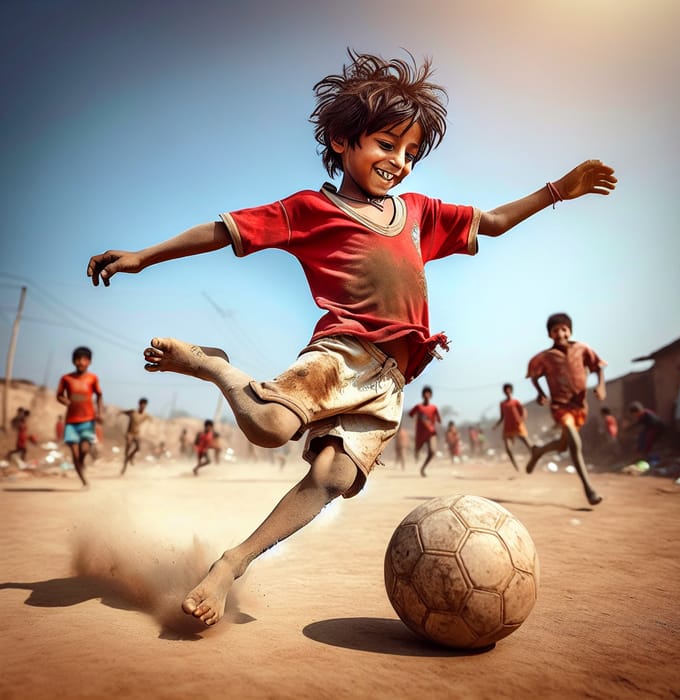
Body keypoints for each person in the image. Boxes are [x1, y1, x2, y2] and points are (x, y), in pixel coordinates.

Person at [86, 50, 616, 625]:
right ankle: (217, 364)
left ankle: (230, 564)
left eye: (411, 152)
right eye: (387, 145)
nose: (401, 162)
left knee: (332, 477)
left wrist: (558, 190)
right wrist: (143, 255)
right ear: (342, 140)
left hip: (389, 381)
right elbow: (222, 230)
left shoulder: (419, 212)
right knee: (269, 427)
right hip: (342, 352)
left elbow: (490, 222)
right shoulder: (311, 208)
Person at [524, 313, 606, 506]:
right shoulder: (544, 358)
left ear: (570, 331)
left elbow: (598, 366)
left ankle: (538, 451)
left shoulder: (582, 349)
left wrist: (601, 386)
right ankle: (589, 489)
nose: (560, 334)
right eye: (555, 330)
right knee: (575, 443)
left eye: (564, 329)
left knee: (563, 445)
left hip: (579, 407)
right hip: (560, 407)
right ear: (550, 335)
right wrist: (540, 393)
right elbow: (535, 377)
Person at [56, 346, 103, 487]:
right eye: (78, 359)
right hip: (71, 422)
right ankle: (84, 480)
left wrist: (99, 412)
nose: (81, 362)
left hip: (88, 420)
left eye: (84, 359)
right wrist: (65, 401)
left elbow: (99, 395)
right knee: (75, 454)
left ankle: (81, 464)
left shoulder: (92, 379)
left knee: (84, 450)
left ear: (89, 361)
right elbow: (59, 395)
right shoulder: (66, 379)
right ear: (73, 361)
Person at [492, 383, 532, 472]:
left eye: (508, 389)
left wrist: (522, 419)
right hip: (508, 427)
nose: (507, 391)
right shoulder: (502, 404)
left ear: (511, 390)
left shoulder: (516, 402)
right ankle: (516, 466)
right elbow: (502, 417)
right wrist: (496, 425)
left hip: (518, 426)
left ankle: (534, 460)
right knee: (508, 448)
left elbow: (523, 411)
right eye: (505, 390)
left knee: (528, 444)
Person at [409, 385, 442, 477]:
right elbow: (410, 414)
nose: (427, 395)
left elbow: (439, 420)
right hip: (420, 434)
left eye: (429, 393)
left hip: (431, 433)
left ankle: (423, 468)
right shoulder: (418, 407)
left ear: (431, 395)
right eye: (425, 393)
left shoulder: (434, 408)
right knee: (417, 450)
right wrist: (418, 417)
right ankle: (416, 452)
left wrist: (437, 419)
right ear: (422, 395)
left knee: (432, 451)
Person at [120, 397, 151, 475]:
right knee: (127, 449)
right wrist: (119, 413)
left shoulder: (145, 415)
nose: (143, 406)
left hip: (137, 434)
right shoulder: (133, 412)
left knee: (138, 447)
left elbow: (151, 421)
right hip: (130, 433)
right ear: (139, 404)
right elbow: (124, 412)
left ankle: (130, 457)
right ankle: (124, 467)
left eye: (145, 405)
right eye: (142, 404)